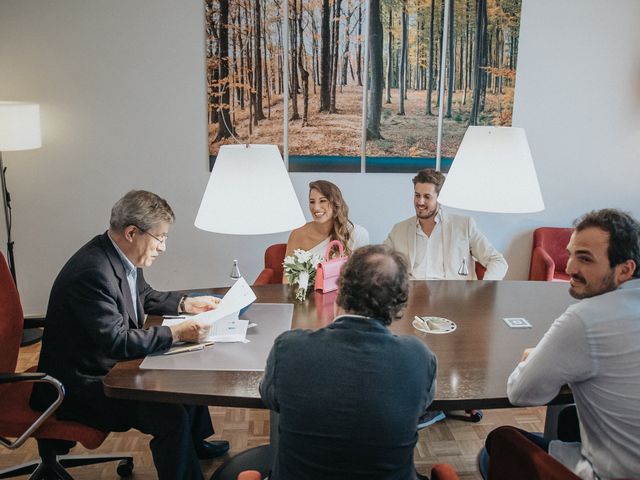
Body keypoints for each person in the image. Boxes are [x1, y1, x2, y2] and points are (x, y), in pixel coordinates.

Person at [31, 190, 229, 480]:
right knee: (168, 415)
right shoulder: (93, 272)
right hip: (82, 383)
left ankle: (195, 445)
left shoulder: (116, 255)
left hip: (105, 365)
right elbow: (117, 341)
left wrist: (185, 304)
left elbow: (143, 295)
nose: (163, 247)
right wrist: (175, 333)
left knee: (185, 375)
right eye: (160, 237)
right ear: (132, 232)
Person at [483, 209, 640, 480]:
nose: (569, 268)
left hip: (612, 473)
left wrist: (532, 360)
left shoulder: (586, 319)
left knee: (496, 444)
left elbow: (522, 394)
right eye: (571, 254)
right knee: (569, 420)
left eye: (585, 259)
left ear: (625, 269)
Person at [261, 244, 437, 480]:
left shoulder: (288, 348)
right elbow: (422, 408)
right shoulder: (419, 356)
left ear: (341, 289)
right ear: (399, 305)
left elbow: (270, 398)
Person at [385, 169, 507, 280]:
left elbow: (497, 260)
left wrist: (485, 289)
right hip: (412, 297)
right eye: (417, 195)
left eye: (427, 197)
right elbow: (378, 262)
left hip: (453, 298)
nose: (420, 202)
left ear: (440, 199)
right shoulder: (398, 229)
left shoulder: (464, 225)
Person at [285, 180, 369, 262]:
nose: (316, 208)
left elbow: (361, 274)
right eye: (312, 202)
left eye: (323, 201)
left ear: (335, 203)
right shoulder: (298, 234)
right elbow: (287, 275)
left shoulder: (357, 234)